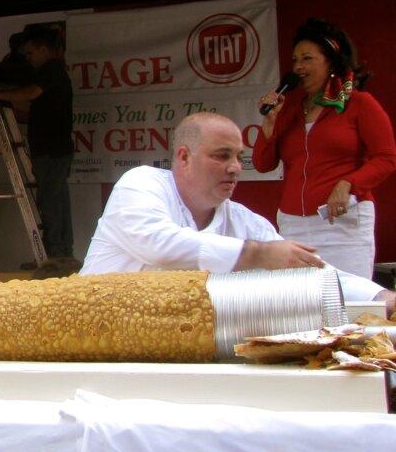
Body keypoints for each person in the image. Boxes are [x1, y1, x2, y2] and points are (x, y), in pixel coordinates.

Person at [82, 112, 393, 307]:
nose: (234, 168)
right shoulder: (140, 183)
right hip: (86, 333)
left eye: (238, 157)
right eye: (221, 156)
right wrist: (256, 255)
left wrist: (380, 298)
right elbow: (160, 245)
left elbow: (310, 270)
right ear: (184, 157)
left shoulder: (243, 220)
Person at [254, 18, 396, 279]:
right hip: (293, 223)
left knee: (347, 299)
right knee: (299, 302)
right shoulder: (291, 110)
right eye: (295, 60)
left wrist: (349, 183)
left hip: (341, 222)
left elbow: (386, 157)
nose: (298, 66)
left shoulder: (359, 104)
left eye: (307, 58)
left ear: (330, 60)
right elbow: (263, 164)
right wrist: (269, 122)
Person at [0, 25, 75, 259]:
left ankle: (55, 254)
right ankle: (62, 251)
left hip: (52, 148)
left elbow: (31, 94)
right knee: (56, 199)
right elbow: (31, 100)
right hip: (54, 147)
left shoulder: (51, 69)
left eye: (31, 53)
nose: (29, 58)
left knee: (51, 201)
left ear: (44, 49)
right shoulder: (53, 72)